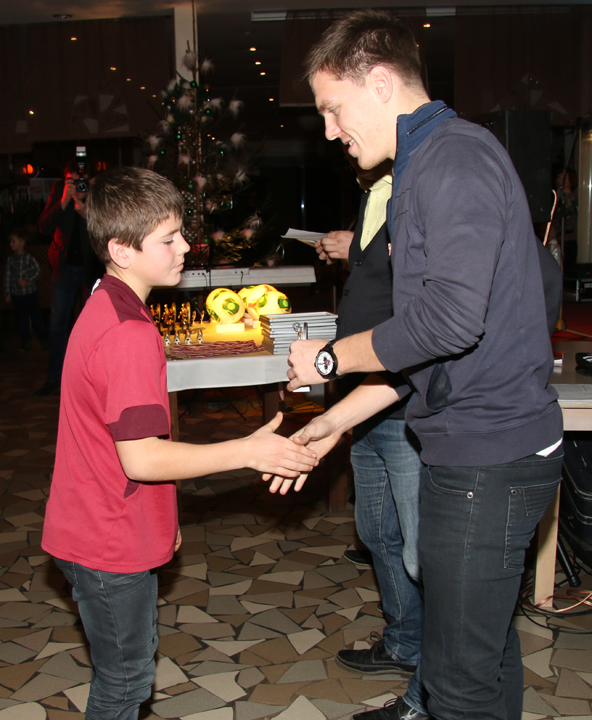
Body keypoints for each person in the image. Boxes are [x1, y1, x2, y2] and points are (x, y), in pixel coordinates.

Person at [267, 10, 564, 720]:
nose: (330, 131)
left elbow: (448, 322)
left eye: (333, 108)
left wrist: (332, 356)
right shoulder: (430, 162)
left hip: (487, 457)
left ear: (379, 83)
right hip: (484, 449)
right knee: (485, 657)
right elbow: (426, 356)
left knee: (457, 685)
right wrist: (333, 422)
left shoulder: (451, 159)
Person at [41, 167, 319, 720]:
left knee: (128, 671)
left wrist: (158, 523)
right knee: (125, 684)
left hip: (92, 524)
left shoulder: (104, 301)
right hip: (107, 539)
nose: (185, 247)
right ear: (121, 250)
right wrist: (247, 450)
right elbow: (142, 457)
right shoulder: (129, 333)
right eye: (168, 239)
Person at [316, 158, 426, 716]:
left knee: (419, 549)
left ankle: (433, 672)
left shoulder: (420, 190)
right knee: (376, 531)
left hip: (403, 404)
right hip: (366, 402)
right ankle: (406, 641)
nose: (335, 137)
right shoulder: (373, 195)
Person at [35, 158, 103, 397]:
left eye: (81, 180)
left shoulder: (98, 192)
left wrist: (87, 214)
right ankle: (54, 378)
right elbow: (43, 227)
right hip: (64, 268)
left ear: (91, 179)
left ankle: (88, 383)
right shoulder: (59, 190)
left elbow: (109, 231)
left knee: (89, 328)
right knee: (57, 326)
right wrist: (63, 201)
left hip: (91, 269)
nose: (78, 184)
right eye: (72, 180)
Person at [4, 228, 49, 351]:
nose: (11, 244)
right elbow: (7, 277)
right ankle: (26, 342)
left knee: (36, 317)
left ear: (22, 243)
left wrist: (27, 281)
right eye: (10, 241)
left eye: (13, 241)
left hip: (30, 294)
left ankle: (43, 339)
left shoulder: (29, 258)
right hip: (17, 295)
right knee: (21, 319)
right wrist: (7, 292)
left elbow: (38, 272)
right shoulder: (11, 260)